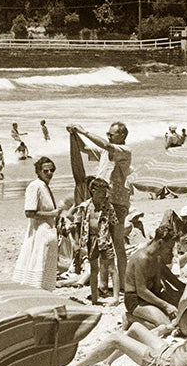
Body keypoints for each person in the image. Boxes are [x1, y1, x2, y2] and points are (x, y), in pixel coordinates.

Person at [72, 121, 134, 286]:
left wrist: (84, 131)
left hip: (118, 203)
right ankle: (104, 283)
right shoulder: (105, 152)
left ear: (122, 136)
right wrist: (74, 134)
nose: (108, 136)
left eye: (111, 134)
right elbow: (83, 148)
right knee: (101, 243)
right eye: (107, 133)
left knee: (118, 245)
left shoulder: (124, 151)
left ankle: (123, 283)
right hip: (102, 203)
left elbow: (106, 145)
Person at [13, 156, 60, 290]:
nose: (49, 173)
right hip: (39, 232)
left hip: (47, 231)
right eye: (46, 171)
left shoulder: (44, 186)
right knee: (39, 263)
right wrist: (52, 214)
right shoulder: (35, 186)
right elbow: (29, 213)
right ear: (38, 171)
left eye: (52, 170)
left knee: (46, 264)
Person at [124, 224, 180, 328]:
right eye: (169, 248)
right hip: (136, 299)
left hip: (152, 295)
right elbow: (141, 291)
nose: (171, 252)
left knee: (176, 318)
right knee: (164, 325)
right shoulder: (142, 258)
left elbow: (174, 281)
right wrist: (166, 305)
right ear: (160, 243)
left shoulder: (157, 258)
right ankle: (130, 317)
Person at [75, 177, 119, 304]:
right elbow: (77, 224)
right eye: (100, 192)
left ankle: (116, 298)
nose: (103, 195)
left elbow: (113, 225)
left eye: (105, 192)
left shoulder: (108, 207)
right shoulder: (84, 207)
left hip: (105, 239)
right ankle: (95, 298)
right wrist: (77, 243)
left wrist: (114, 241)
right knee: (94, 269)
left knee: (111, 268)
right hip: (90, 240)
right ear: (92, 191)